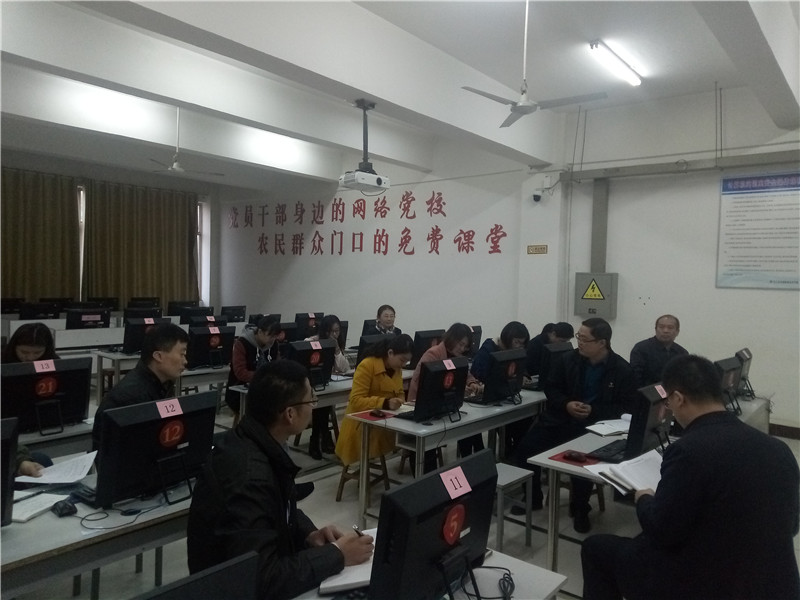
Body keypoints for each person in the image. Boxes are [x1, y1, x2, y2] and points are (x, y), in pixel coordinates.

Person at [581, 354, 800, 600]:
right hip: (776, 584)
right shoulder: (779, 448)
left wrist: (644, 498)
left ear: (677, 398)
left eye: (669, 403)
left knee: (596, 548)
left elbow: (662, 531)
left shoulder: (689, 450)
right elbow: (792, 526)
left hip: (709, 584)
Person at [187, 360, 374, 600]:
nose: (314, 405)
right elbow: (263, 580)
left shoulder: (255, 440)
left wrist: (308, 534)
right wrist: (337, 554)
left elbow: (276, 507)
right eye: (311, 399)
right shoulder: (250, 477)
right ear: (290, 414)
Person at [514, 318, 637, 532]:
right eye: (579, 336)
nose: (579, 342)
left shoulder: (621, 369)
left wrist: (594, 410)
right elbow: (551, 389)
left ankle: (580, 508)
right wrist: (567, 404)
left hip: (593, 426)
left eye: (584, 339)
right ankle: (532, 497)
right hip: (561, 418)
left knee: (582, 464)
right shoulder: (567, 360)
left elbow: (626, 406)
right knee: (525, 449)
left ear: (602, 343)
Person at [92, 322, 189, 450]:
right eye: (182, 354)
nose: (185, 361)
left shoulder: (164, 384)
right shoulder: (128, 398)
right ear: (158, 356)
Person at [408, 323, 483, 470]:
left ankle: (474, 468)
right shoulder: (433, 354)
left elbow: (465, 374)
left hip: (443, 406)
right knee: (428, 446)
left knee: (471, 429)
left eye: (465, 346)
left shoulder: (457, 356)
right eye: (460, 344)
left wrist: (471, 383)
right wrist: (459, 389)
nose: (462, 349)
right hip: (422, 405)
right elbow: (427, 384)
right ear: (452, 339)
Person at [335, 334, 413, 468]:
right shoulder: (367, 365)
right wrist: (385, 403)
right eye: (402, 360)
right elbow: (356, 400)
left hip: (384, 422)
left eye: (407, 361)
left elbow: (400, 392)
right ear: (390, 353)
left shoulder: (397, 369)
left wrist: (400, 400)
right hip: (361, 426)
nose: (403, 364)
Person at [2, 322, 58, 469]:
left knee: (42, 461)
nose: (30, 358)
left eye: (37, 353)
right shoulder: (3, 362)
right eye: (24, 352)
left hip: (40, 422)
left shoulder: (54, 364)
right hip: (7, 423)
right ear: (14, 347)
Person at [471, 321, 530, 458]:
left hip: (503, 396)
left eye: (522, 343)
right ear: (507, 338)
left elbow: (520, 369)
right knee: (516, 424)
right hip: (485, 396)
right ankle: (510, 454)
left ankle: (515, 455)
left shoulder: (513, 352)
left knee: (525, 421)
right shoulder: (488, 348)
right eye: (517, 342)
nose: (519, 346)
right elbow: (477, 373)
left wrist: (523, 376)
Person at [305, 314, 350, 460]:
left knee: (323, 405)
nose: (335, 335)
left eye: (337, 331)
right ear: (324, 331)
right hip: (310, 384)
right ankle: (320, 438)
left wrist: (336, 350)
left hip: (326, 382)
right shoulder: (311, 341)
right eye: (332, 331)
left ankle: (319, 438)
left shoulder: (336, 343)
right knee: (321, 406)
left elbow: (344, 368)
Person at [225, 315, 281, 424]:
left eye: (275, 336)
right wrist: (265, 377)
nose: (272, 340)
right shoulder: (242, 343)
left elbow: (277, 366)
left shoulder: (274, 344)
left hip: (265, 388)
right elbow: (240, 372)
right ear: (260, 332)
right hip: (239, 389)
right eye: (270, 336)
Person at [629, 314, 688, 387]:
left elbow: (684, 379)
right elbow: (635, 378)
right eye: (661, 327)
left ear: (677, 332)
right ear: (656, 329)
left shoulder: (682, 353)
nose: (665, 331)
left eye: (670, 327)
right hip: (646, 392)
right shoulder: (641, 349)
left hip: (673, 392)